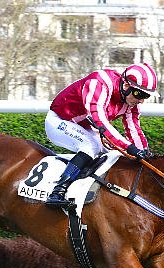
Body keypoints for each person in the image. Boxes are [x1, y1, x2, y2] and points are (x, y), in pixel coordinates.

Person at [44, 62, 157, 208]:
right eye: (139, 94)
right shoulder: (99, 83)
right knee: (91, 146)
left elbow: (133, 128)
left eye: (146, 96)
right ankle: (57, 191)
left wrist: (144, 154)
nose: (141, 100)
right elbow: (100, 122)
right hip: (59, 121)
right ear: (126, 85)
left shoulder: (131, 102)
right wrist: (129, 148)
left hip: (84, 126)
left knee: (114, 153)